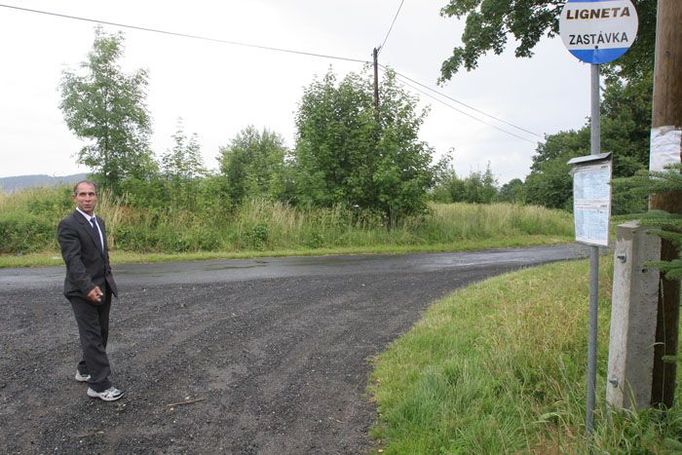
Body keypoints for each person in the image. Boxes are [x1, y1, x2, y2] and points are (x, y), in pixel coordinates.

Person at [57, 180, 124, 402]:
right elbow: (73, 261)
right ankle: (99, 385)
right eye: (82, 194)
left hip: (103, 287)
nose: (87, 198)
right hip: (81, 291)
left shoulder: (100, 222)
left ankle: (85, 370)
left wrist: (107, 279)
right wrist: (87, 287)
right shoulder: (68, 224)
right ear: (74, 197)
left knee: (101, 333)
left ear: (96, 197)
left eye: (91, 194)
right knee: (92, 337)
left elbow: (103, 255)